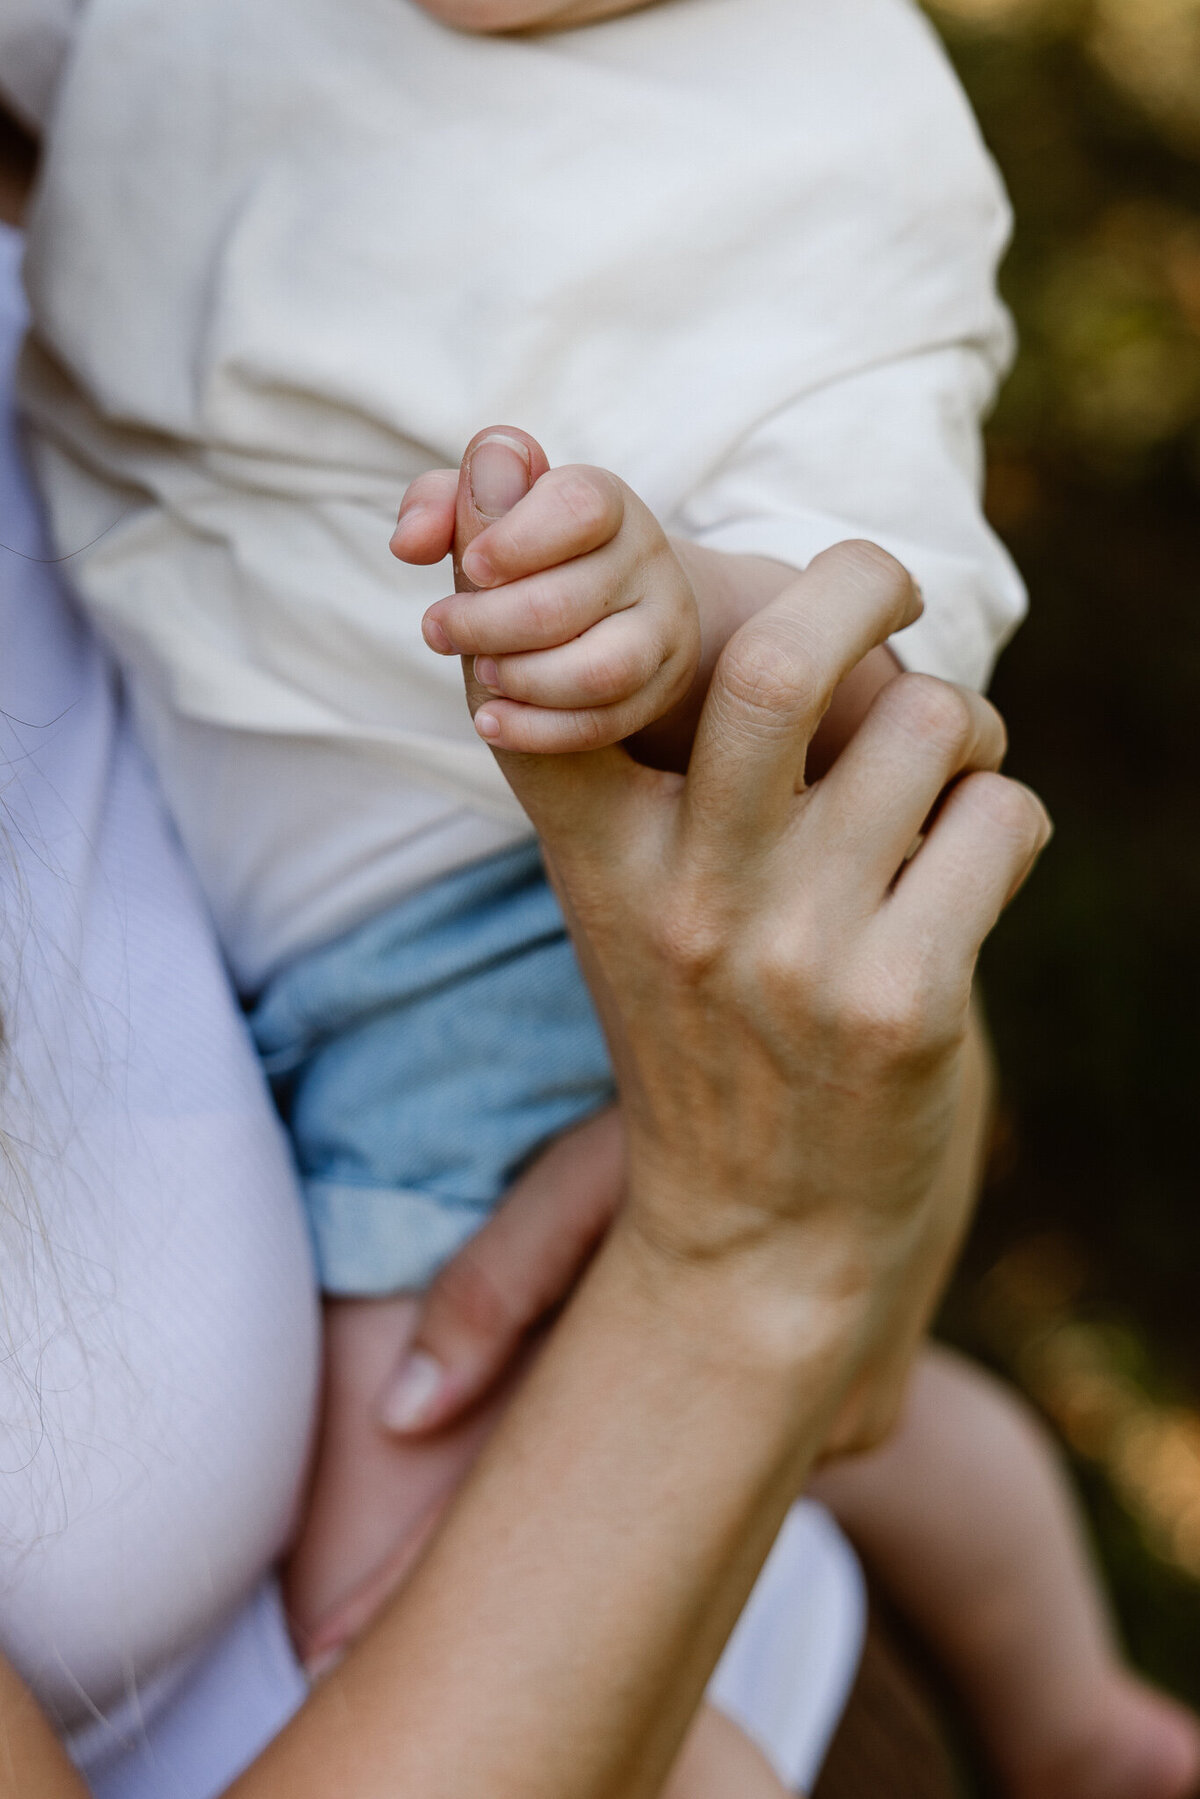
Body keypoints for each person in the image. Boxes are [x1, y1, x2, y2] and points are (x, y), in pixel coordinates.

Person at [3, 0, 1198, 1791]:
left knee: (384, 1577)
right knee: (855, 1408)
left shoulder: (837, 117)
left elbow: (887, 637)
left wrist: (681, 612)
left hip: (505, 909)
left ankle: (917, 1723)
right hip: (319, 917)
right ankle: (1069, 1710)